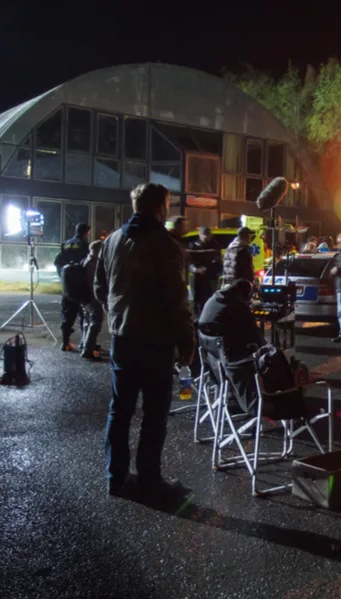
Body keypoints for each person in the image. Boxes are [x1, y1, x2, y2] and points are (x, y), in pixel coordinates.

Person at [96, 182, 195, 500]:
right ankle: (150, 480)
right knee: (154, 413)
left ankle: (116, 477)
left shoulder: (112, 240)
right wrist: (187, 343)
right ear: (160, 207)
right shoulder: (164, 245)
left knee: (120, 410)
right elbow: (177, 299)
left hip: (123, 339)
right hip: (156, 342)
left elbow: (100, 287)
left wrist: (116, 316)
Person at [198, 279, 263, 413]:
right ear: (242, 296)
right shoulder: (237, 308)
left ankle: (232, 398)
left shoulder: (214, 299)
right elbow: (255, 337)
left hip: (215, 366)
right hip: (233, 368)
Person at [54, 222, 91, 351]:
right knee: (83, 314)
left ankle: (65, 342)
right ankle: (84, 343)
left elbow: (57, 262)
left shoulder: (66, 244)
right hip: (81, 285)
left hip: (67, 286)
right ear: (87, 233)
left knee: (66, 314)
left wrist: (63, 277)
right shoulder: (86, 246)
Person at [189, 226, 222, 317]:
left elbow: (219, 263)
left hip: (210, 277)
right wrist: (195, 269)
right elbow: (189, 261)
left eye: (208, 235)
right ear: (200, 235)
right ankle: (198, 318)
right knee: (197, 300)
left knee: (210, 299)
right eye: (204, 235)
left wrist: (211, 269)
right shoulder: (193, 246)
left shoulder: (215, 245)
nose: (206, 237)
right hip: (197, 278)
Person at [80, 240, 104, 361]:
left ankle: (85, 343)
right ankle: (88, 349)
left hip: (84, 297)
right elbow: (94, 282)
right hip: (92, 297)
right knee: (95, 323)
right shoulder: (93, 262)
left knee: (87, 322)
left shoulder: (85, 259)